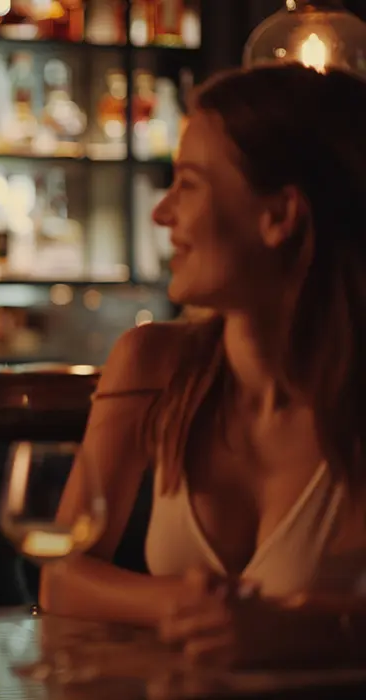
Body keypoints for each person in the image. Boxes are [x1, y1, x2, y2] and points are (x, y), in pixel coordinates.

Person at [42, 64, 366, 668]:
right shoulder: (152, 363)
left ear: (279, 216)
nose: (163, 214)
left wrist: (299, 633)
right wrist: (182, 606)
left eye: (188, 185)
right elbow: (62, 574)